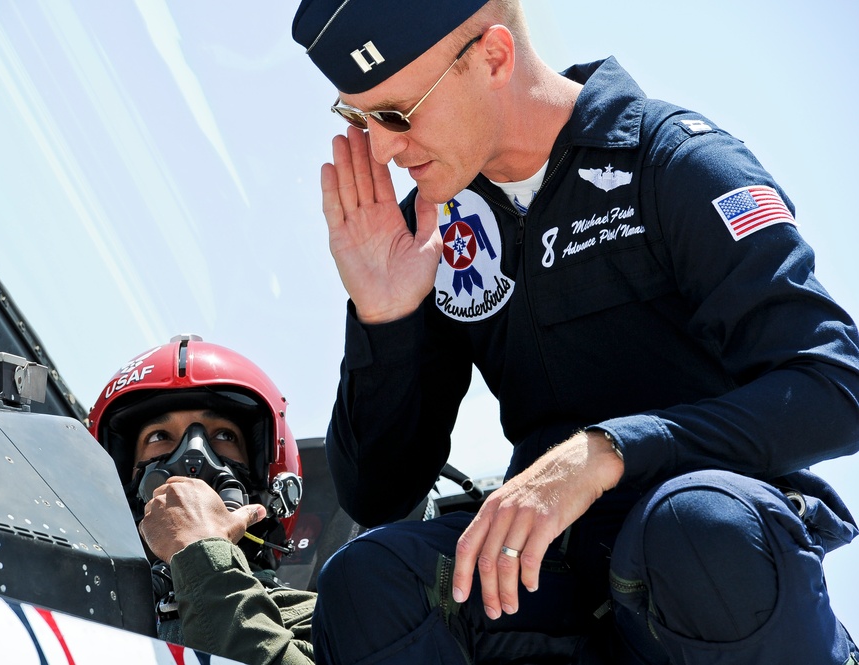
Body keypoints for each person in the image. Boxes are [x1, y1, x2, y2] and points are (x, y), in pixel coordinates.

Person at [290, 1, 859, 663]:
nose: (382, 149)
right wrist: (384, 319)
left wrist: (607, 452)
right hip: (555, 575)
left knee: (694, 528)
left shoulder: (673, 161)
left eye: (396, 114)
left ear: (493, 57)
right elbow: (377, 495)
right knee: (370, 581)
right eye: (359, 119)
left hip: (700, 565)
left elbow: (833, 385)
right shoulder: (435, 224)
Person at [87, 334, 316, 664]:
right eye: (159, 437)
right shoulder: (77, 603)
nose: (193, 460)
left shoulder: (313, 617)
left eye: (223, 435)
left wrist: (203, 557)